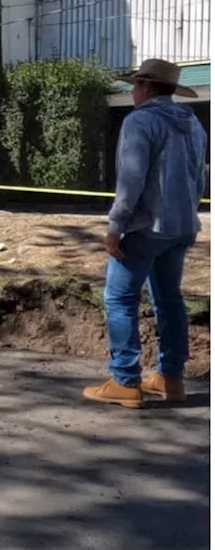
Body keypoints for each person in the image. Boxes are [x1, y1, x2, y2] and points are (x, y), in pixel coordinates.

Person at [83, 59, 207, 409]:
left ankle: (125, 380)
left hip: (145, 228)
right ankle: (171, 378)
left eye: (135, 85)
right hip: (182, 226)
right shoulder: (194, 125)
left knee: (120, 299)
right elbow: (199, 178)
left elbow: (131, 180)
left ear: (147, 87)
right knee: (169, 299)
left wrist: (115, 226)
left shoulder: (140, 121)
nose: (132, 91)